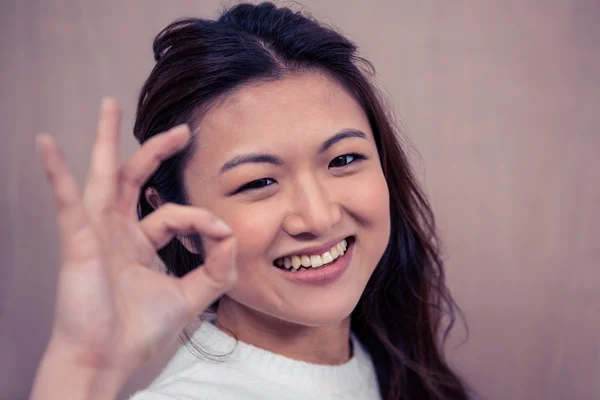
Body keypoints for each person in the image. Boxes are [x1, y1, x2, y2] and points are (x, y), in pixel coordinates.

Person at [30, 2, 470, 399]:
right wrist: (80, 369)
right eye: (259, 182)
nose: (318, 217)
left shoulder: (388, 357)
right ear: (178, 220)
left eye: (344, 159)